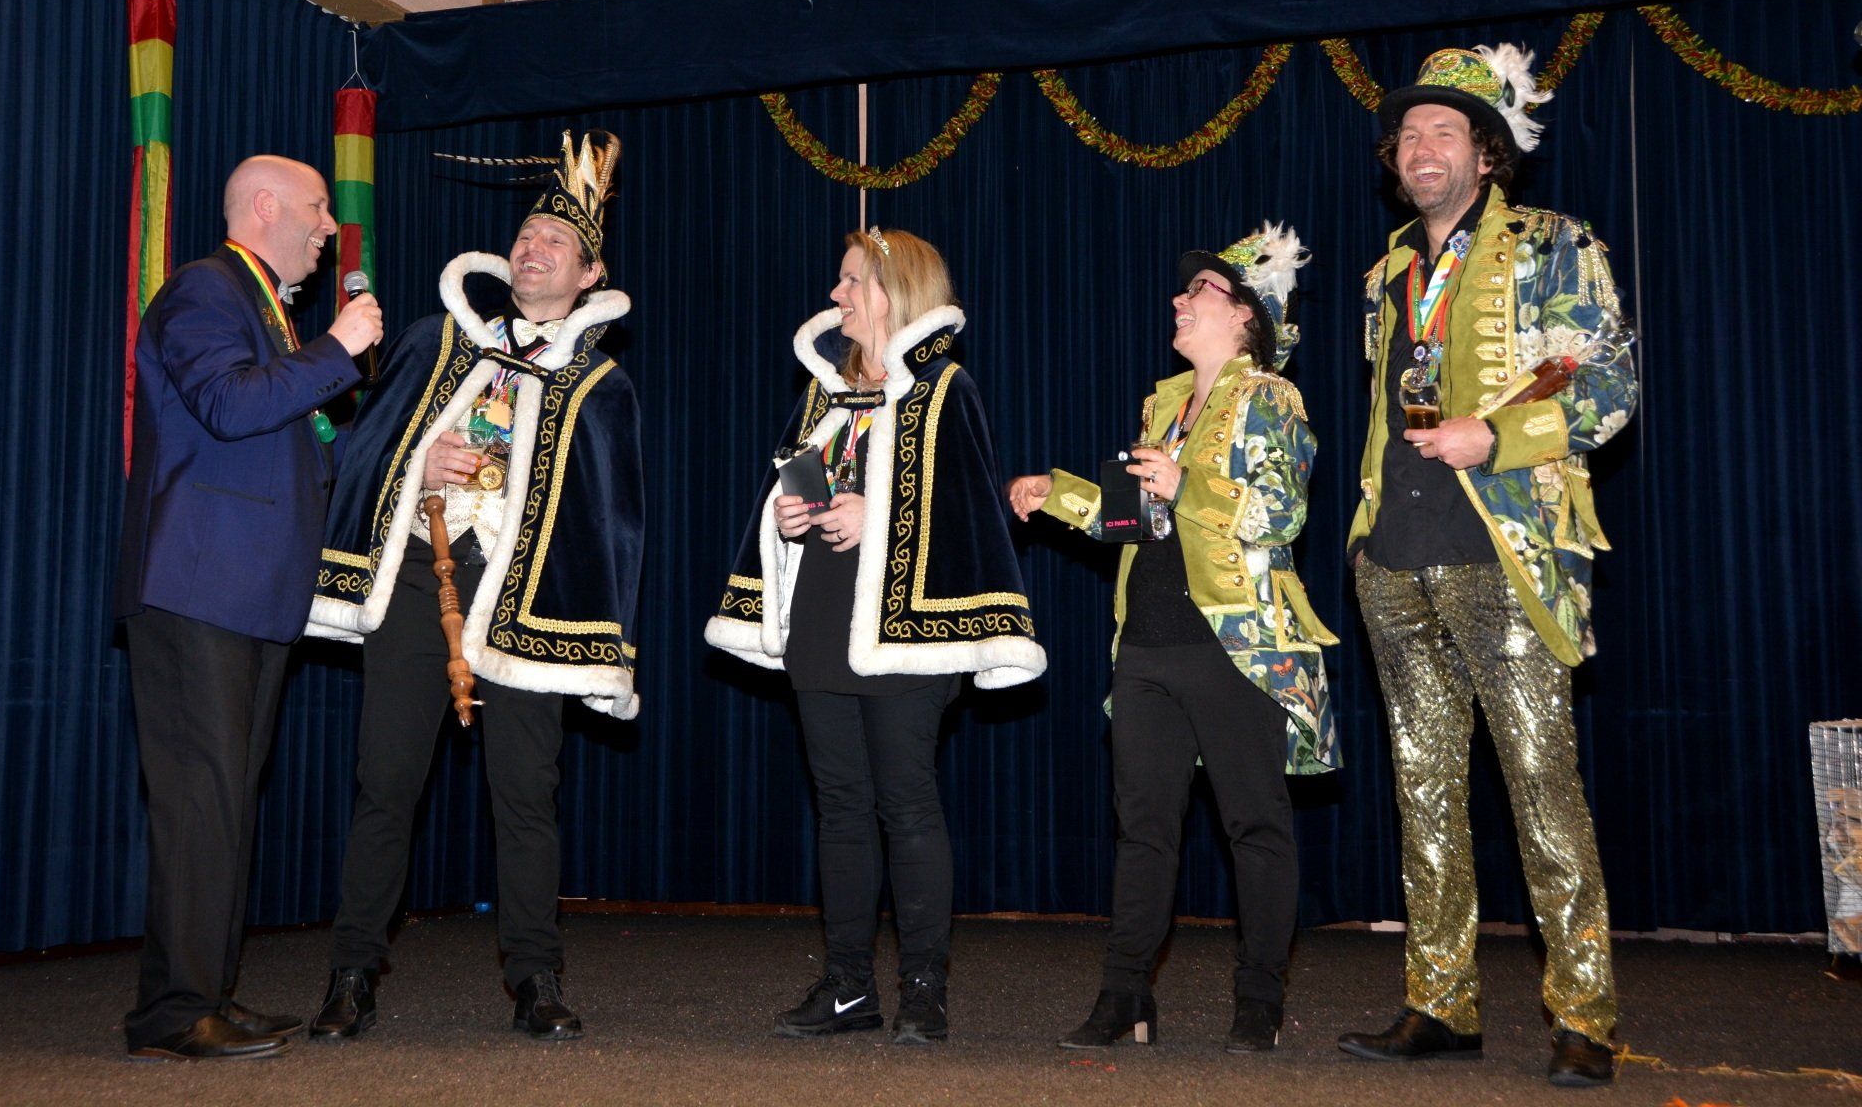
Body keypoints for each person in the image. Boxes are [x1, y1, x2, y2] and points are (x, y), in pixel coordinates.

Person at [1334, 45, 1638, 1089]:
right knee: (1422, 790)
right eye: (1409, 135)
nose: (1423, 148)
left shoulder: (1554, 244)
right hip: (1394, 560)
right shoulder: (1386, 273)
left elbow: (1610, 389)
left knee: (1541, 785)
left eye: (1445, 131)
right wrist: (1364, 539)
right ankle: (1440, 1002)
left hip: (1503, 553)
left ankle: (1585, 1014)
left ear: (1488, 152)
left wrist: (1496, 438)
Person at [304, 131, 642, 1042]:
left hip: (523, 594)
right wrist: (418, 463)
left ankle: (535, 976)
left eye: (555, 241)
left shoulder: (597, 384)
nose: (532, 247)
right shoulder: (436, 342)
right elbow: (366, 453)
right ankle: (351, 972)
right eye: (526, 233)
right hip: (423, 575)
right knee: (386, 779)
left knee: (526, 790)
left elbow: (609, 519)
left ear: (589, 273)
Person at [706, 227, 1044, 1045]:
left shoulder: (943, 389)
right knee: (841, 809)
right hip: (822, 620)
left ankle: (924, 988)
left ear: (896, 292)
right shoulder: (824, 392)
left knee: (907, 802)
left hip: (907, 628)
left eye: (852, 281)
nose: (837, 295)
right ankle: (848, 986)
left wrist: (879, 516)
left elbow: (969, 512)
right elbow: (795, 485)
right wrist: (788, 516)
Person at [1008, 224, 1339, 1054]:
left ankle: (1259, 1000)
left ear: (1245, 315)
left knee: (1254, 826)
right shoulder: (1164, 404)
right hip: (1149, 643)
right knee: (1143, 829)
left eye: (1198, 292)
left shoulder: (1272, 399)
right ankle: (1124, 994)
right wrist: (1059, 493)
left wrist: (1188, 481)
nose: (1179, 300)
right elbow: (1136, 518)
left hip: (1238, 644)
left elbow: (1283, 514)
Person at [114, 155, 383, 1060]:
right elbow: (229, 406)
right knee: (202, 801)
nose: (329, 228)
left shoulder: (270, 310)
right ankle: (172, 1012)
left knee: (225, 803)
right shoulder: (205, 289)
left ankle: (206, 994)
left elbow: (298, 439)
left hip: (249, 592)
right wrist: (336, 348)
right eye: (318, 208)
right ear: (265, 206)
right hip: (197, 586)